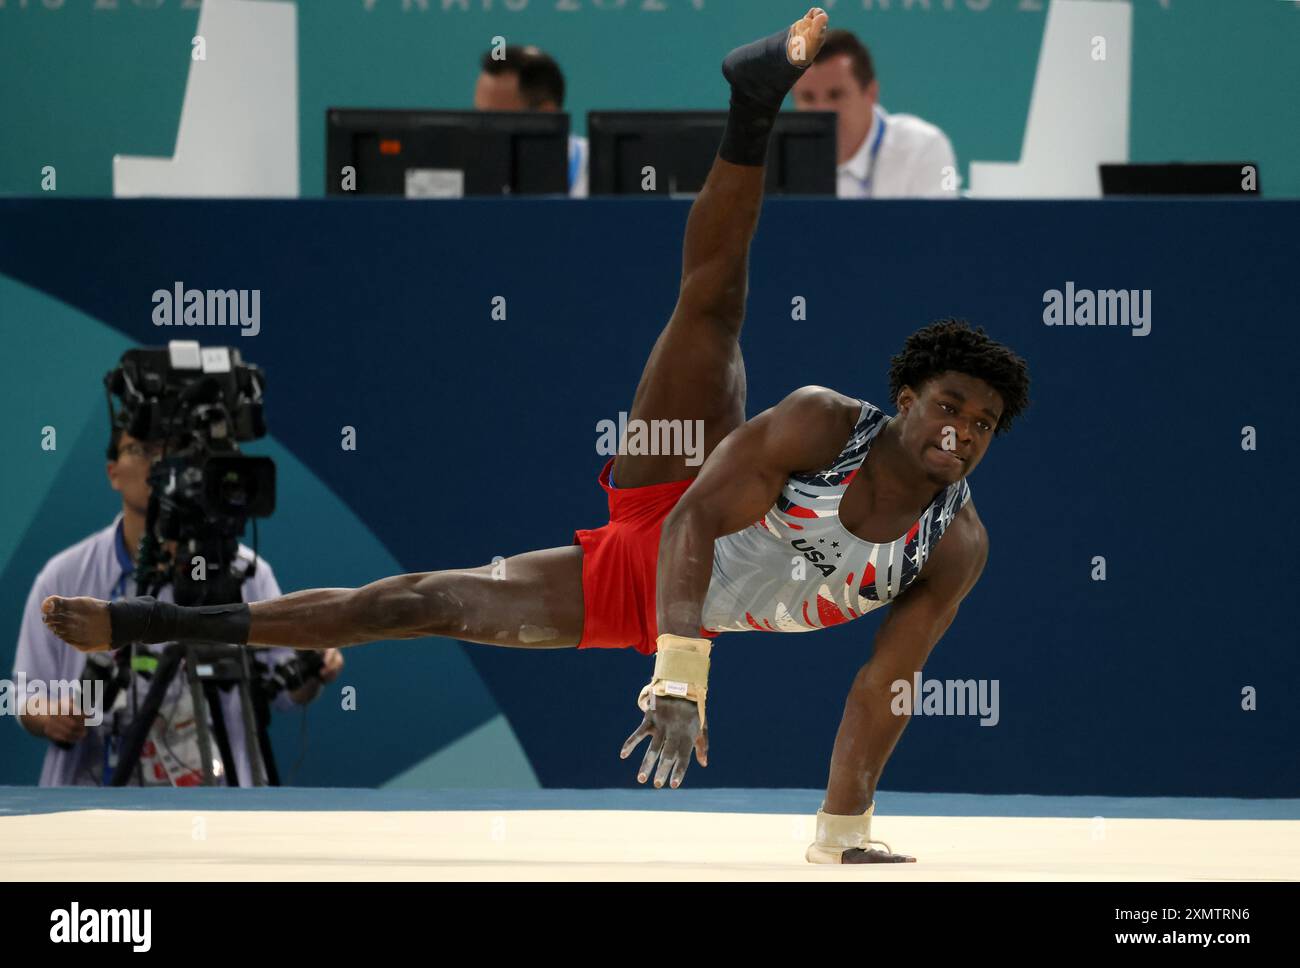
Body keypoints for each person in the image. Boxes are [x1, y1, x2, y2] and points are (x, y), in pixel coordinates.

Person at [42, 9, 1029, 862]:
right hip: (679, 514)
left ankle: (148, 624)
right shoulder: (823, 421)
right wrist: (679, 682)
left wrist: (842, 826)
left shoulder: (957, 543)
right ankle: (752, 100)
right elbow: (688, 525)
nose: (961, 433)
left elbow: (883, 683)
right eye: (948, 406)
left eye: (981, 424)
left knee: (416, 604)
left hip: (643, 596)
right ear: (903, 397)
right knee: (709, 307)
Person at [14, 424, 343, 786]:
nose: (158, 461)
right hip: (95, 799)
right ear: (113, 473)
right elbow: (27, 693)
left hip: (220, 799)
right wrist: (51, 717)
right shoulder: (64, 577)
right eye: (141, 449)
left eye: (171, 450)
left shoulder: (245, 574)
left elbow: (286, 695)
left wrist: (314, 667)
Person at [792, 29, 958, 198]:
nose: (821, 110)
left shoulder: (925, 147)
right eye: (808, 97)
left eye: (836, 95)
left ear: (871, 93)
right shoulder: (778, 158)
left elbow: (940, 223)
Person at [474, 44, 588, 198]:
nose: (481, 129)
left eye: (494, 119)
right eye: (478, 116)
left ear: (546, 115)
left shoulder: (598, 170)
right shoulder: (468, 177)